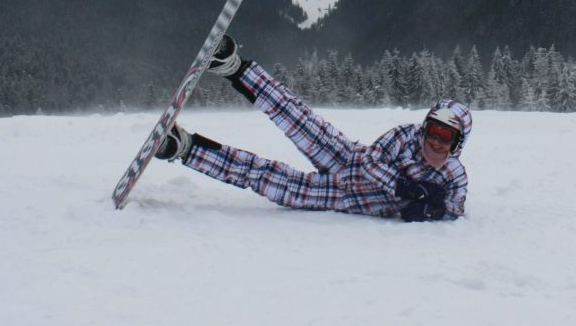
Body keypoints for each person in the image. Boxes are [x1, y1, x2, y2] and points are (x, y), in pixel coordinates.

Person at [156, 35, 471, 222]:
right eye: (433, 130)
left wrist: (433, 210)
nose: (435, 140)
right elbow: (371, 162)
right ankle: (231, 65)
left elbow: (456, 206)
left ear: (458, 142)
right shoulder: (405, 136)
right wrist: (405, 188)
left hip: (346, 197)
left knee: (266, 177)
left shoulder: (453, 175)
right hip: (348, 158)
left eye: (445, 136)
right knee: (295, 116)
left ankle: (183, 147)